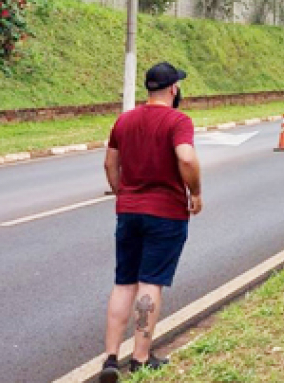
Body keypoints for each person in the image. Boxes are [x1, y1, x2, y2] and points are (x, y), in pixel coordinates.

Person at [99, 62, 202, 382]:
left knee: (124, 282)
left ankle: (111, 358)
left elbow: (109, 163)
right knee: (150, 283)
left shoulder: (124, 121)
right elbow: (186, 157)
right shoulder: (178, 121)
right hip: (165, 214)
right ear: (174, 89)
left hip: (128, 212)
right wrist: (195, 191)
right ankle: (140, 358)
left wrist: (123, 193)